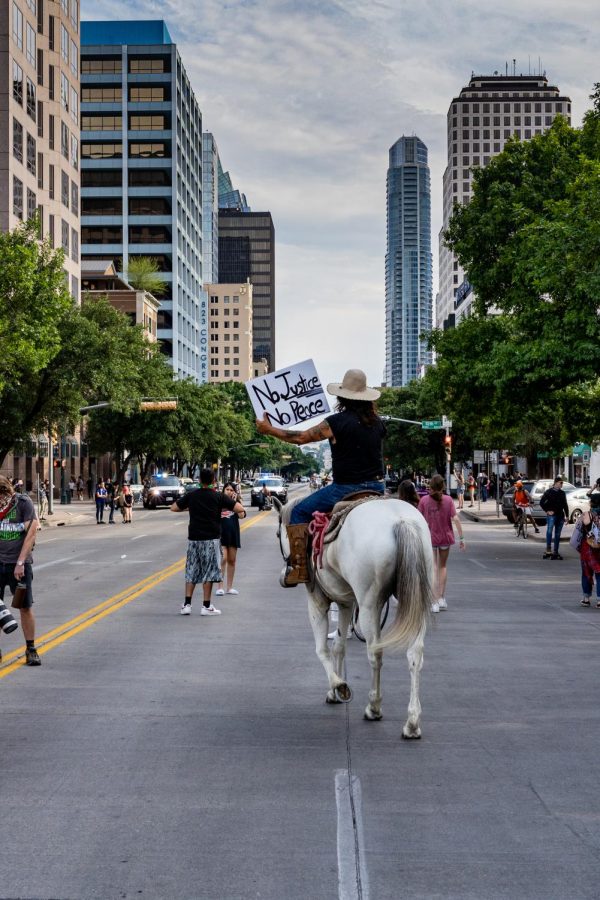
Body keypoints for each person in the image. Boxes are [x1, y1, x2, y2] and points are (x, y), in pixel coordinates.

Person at [256, 368, 385, 585]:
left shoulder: (335, 422)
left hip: (346, 488)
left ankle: (299, 569)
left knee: (297, 511)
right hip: (377, 487)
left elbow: (301, 438)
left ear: (342, 396)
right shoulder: (379, 423)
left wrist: (269, 430)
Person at [171, 468, 244, 616]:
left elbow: (174, 507)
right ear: (214, 481)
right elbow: (239, 508)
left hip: (194, 539)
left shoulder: (192, 496)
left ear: (199, 481)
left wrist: (191, 509)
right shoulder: (218, 497)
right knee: (209, 573)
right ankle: (206, 606)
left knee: (191, 571)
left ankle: (187, 604)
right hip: (211, 539)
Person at [0, 475, 41, 666]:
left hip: (18, 565)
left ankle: (31, 649)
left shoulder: (22, 503)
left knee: (24, 606)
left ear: (7, 492)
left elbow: (32, 532)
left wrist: (20, 562)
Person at [418, 473, 465, 613]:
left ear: (431, 486)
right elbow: (456, 519)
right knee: (442, 567)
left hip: (429, 538)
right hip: (445, 538)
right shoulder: (449, 500)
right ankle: (441, 598)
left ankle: (433, 602)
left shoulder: (424, 501)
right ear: (443, 486)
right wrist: (462, 538)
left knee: (432, 568)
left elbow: (418, 519)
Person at [215, 482, 246, 596]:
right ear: (223, 490)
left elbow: (242, 515)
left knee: (232, 560)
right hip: (220, 533)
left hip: (233, 533)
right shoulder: (219, 501)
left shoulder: (236, 504)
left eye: (231, 490)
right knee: (223, 558)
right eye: (227, 489)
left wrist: (236, 501)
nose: (229, 491)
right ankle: (220, 587)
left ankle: (230, 587)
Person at [577, 492, 600, 607]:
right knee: (599, 572)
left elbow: (581, 528)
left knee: (586, 572)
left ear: (592, 503)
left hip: (588, 546)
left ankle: (586, 598)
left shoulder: (587, 514)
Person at [540, 476, 570, 559]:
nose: (562, 484)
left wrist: (567, 516)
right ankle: (548, 549)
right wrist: (547, 511)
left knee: (557, 534)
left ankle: (555, 551)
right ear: (556, 483)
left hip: (560, 516)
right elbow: (542, 503)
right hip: (552, 515)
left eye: (562, 483)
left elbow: (565, 504)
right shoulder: (548, 492)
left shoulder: (562, 493)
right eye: (561, 483)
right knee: (549, 531)